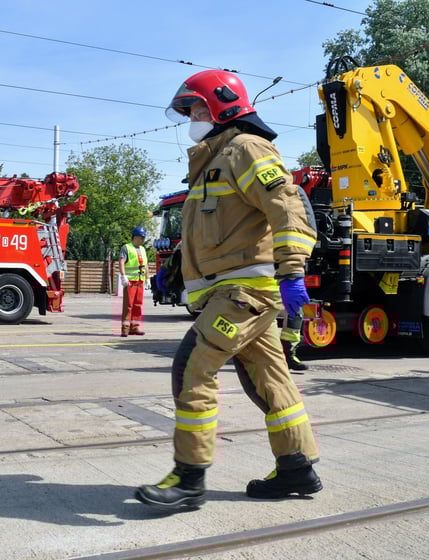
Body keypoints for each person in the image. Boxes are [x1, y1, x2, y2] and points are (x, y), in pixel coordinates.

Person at [135, 70, 321, 509]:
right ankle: (296, 468)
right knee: (272, 381)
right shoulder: (212, 161)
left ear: (223, 106)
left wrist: (293, 271)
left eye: (198, 109)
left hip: (244, 293)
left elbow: (288, 206)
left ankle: (188, 478)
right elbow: (217, 233)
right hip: (235, 290)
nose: (192, 118)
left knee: (191, 368)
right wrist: (177, 272)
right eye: (189, 111)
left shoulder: (245, 148)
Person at [118, 227, 148, 337]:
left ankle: (135, 327)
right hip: (130, 282)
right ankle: (125, 329)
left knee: (138, 305)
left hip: (140, 281)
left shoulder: (143, 249)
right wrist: (123, 276)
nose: (143, 240)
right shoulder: (126, 248)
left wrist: (147, 278)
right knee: (128, 305)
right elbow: (121, 262)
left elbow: (146, 265)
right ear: (135, 237)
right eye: (142, 237)